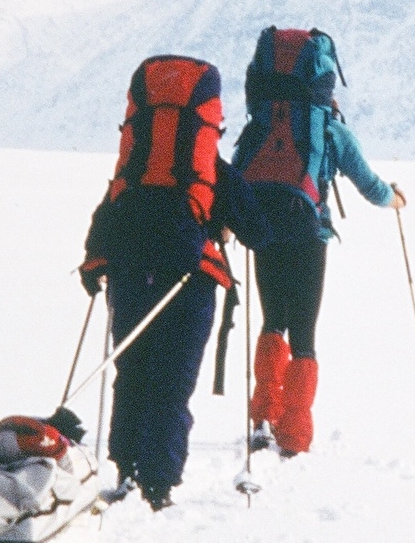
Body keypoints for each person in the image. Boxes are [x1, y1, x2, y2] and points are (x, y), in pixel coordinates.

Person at [77, 55, 266, 510]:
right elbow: (260, 233)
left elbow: (106, 215)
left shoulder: (135, 169)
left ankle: (123, 469)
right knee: (172, 385)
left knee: (132, 372)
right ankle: (159, 486)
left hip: (127, 273)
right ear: (210, 120)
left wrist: (93, 263)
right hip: (190, 280)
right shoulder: (211, 172)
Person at [232, 27, 405, 456]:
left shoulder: (259, 126)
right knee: (304, 333)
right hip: (308, 234)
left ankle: (262, 417)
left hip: (264, 232)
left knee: (273, 320)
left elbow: (235, 179)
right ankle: (293, 434)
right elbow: (370, 186)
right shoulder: (329, 132)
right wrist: (395, 199)